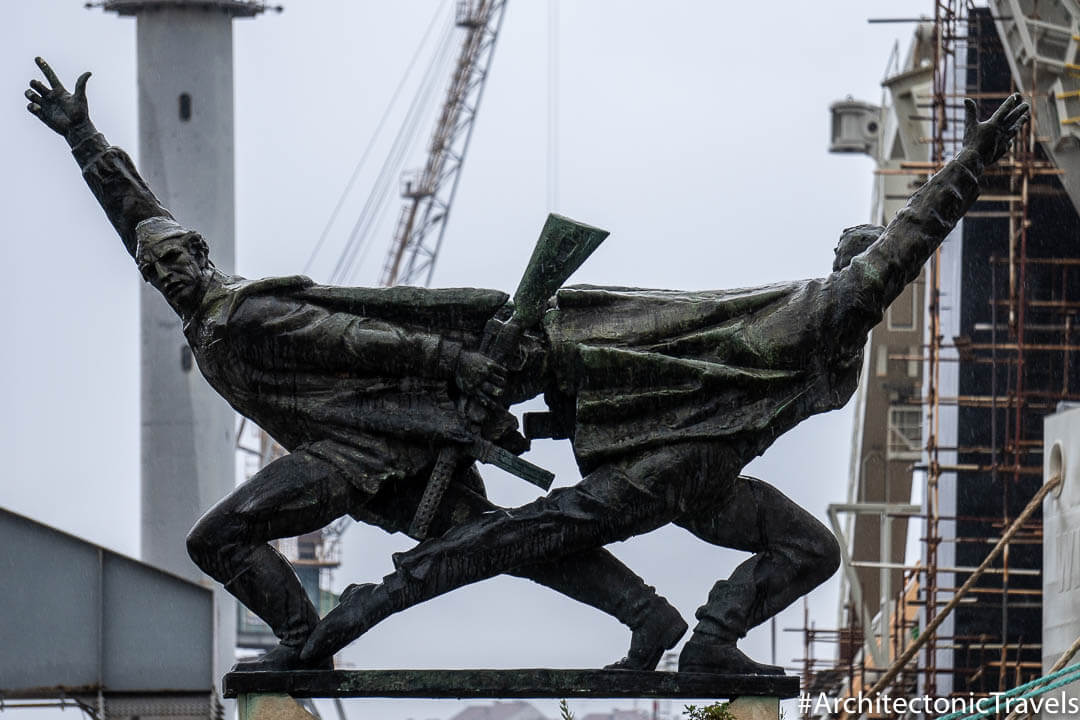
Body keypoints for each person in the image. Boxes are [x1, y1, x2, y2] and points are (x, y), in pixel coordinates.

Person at [299, 94, 1032, 674]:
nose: (881, 284)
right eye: (872, 271)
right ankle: (375, 602)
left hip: (711, 473)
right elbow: (910, 241)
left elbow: (685, 380)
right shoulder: (828, 311)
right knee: (525, 536)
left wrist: (559, 425)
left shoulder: (807, 325)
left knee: (808, 551)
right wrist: (975, 158)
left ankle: (707, 639)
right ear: (855, 272)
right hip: (679, 467)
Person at [24, 57, 689, 672]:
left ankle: (302, 640)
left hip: (354, 452)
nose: (167, 275)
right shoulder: (202, 310)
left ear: (201, 257)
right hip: (375, 455)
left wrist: (451, 359)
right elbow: (140, 215)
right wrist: (83, 140)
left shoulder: (246, 314)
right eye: (155, 270)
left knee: (218, 540)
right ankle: (648, 614)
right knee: (496, 542)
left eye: (176, 262)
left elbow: (355, 337)